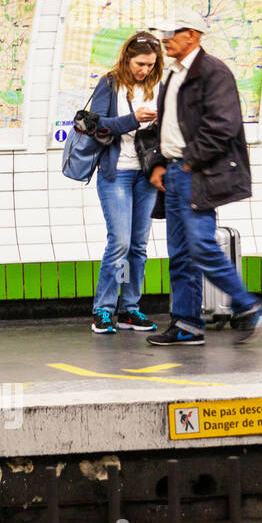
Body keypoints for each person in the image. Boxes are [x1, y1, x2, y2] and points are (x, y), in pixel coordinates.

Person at [144, 8, 262, 346]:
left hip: (195, 172)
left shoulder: (213, 72)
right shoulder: (173, 74)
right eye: (164, 33)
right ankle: (187, 324)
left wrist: (188, 163)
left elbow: (223, 126)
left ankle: (249, 306)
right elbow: (166, 125)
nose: (165, 40)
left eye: (172, 33)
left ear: (193, 35)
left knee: (199, 245)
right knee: (181, 252)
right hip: (174, 170)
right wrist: (158, 161)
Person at [88, 33, 164, 334]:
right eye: (140, 63)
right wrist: (133, 119)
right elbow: (95, 126)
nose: (144, 70)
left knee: (138, 245)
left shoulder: (157, 85)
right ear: (127, 58)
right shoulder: (110, 83)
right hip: (116, 172)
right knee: (119, 242)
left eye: (150, 65)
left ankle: (130, 308)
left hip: (145, 172)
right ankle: (103, 310)